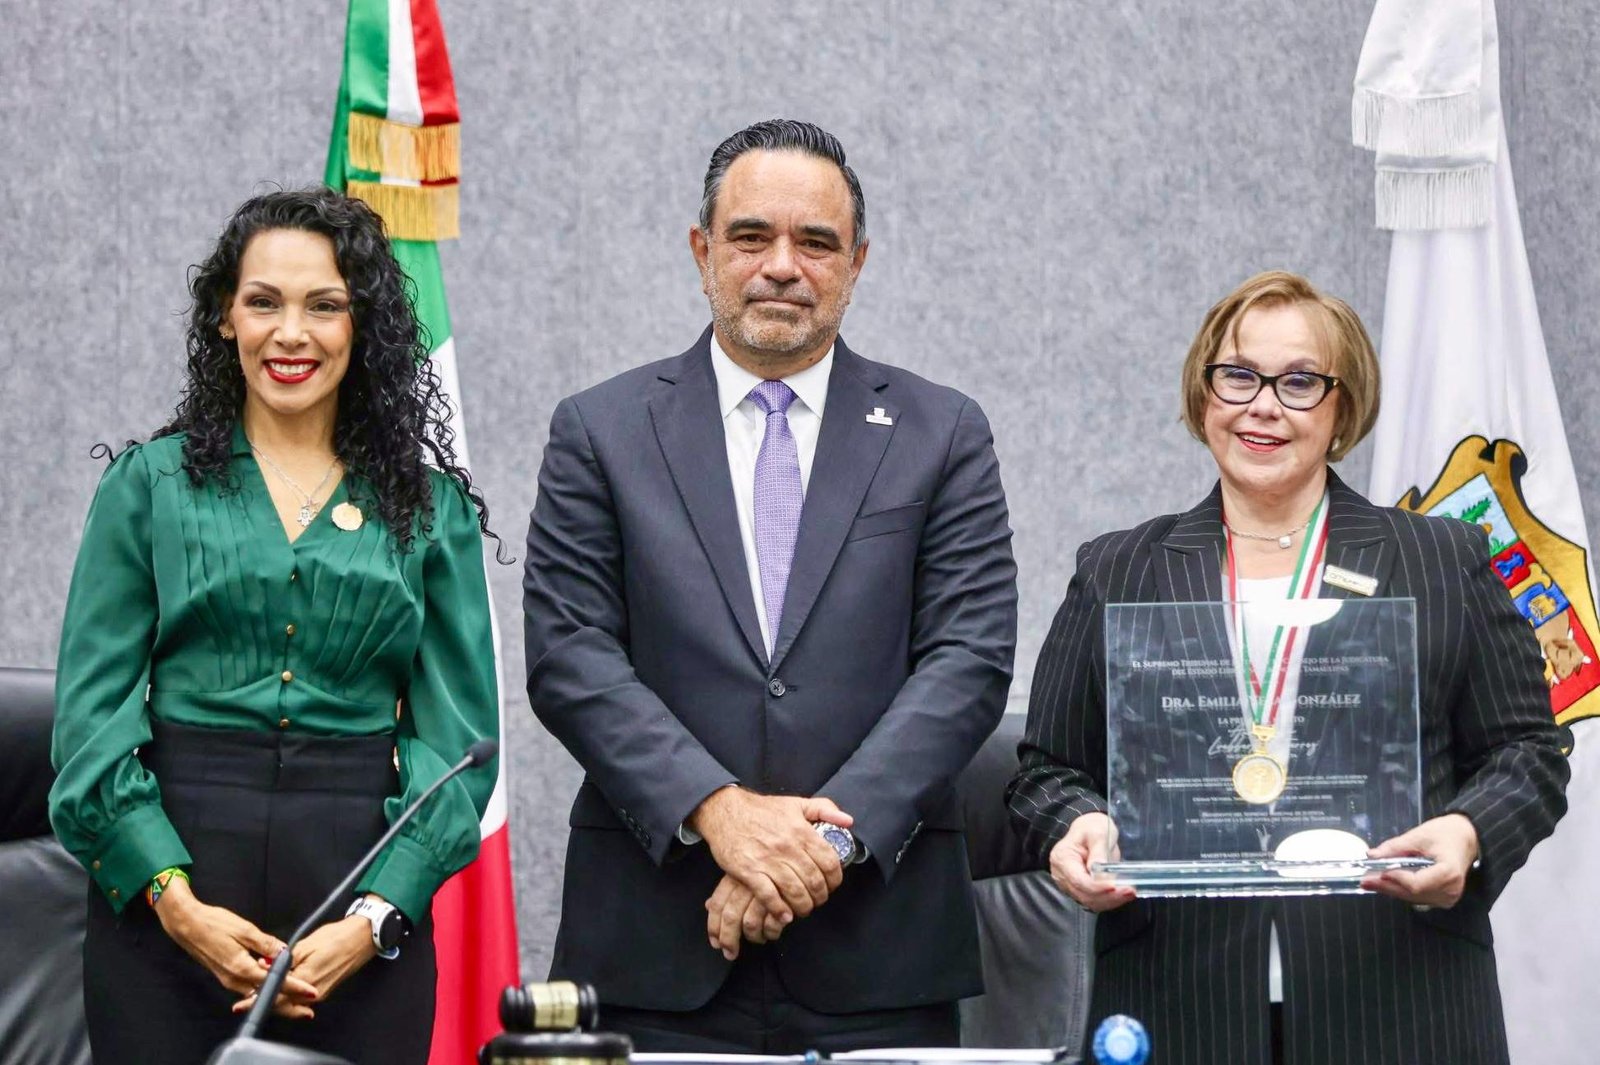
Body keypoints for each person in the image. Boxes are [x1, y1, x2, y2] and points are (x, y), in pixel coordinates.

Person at [523, 118, 1018, 1052]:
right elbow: (570, 657)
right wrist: (723, 814)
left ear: (856, 263)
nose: (782, 266)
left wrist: (818, 847)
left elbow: (969, 660)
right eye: (751, 236)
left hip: (879, 950)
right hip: (655, 949)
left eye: (816, 242)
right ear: (702, 250)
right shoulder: (600, 429)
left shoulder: (943, 431)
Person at [1006, 270, 1570, 1065]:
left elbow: (1529, 750)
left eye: (1300, 381)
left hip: (1401, 999)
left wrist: (1469, 830)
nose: (1263, 405)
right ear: (1204, 394)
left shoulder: (1443, 559)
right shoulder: (1118, 570)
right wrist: (1078, 823)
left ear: (1344, 407)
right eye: (1238, 375)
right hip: (1180, 999)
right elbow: (1047, 771)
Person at [49, 186, 501, 1065]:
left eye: (324, 305)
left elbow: (458, 748)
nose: (291, 334)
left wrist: (372, 920)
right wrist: (177, 906)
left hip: (360, 900)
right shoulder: (148, 486)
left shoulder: (427, 509)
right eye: (264, 302)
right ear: (226, 316)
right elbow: (91, 726)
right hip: (168, 897)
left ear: (362, 325)